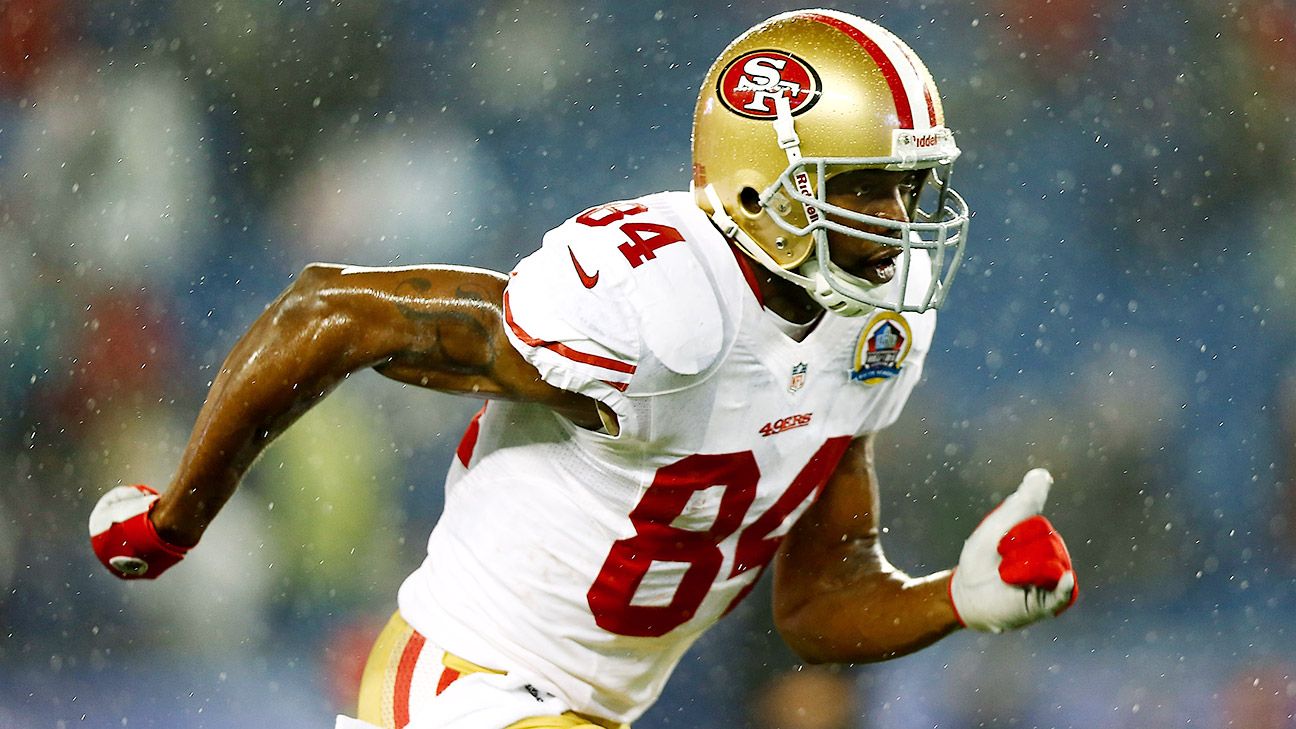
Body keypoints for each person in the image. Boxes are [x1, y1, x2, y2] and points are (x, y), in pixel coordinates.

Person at [88, 10, 1078, 729]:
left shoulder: (871, 341)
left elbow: (818, 607)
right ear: (760, 183)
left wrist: (954, 598)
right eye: (867, 189)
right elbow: (329, 314)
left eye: (913, 189)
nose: (901, 225)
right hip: (456, 687)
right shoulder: (660, 302)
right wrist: (175, 518)